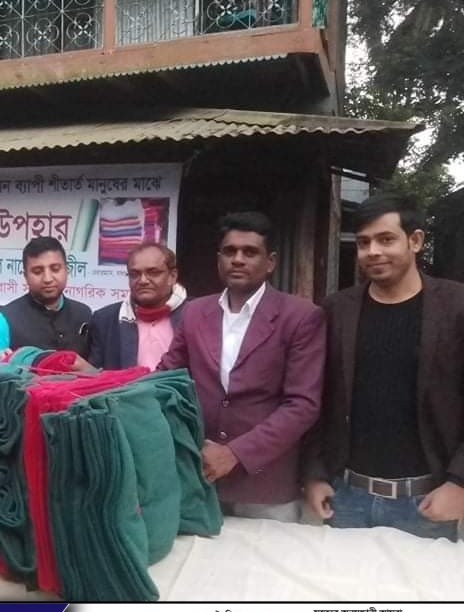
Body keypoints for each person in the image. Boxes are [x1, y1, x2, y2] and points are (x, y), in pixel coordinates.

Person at [303, 194, 464, 540]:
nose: (372, 251)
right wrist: (314, 474)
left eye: (386, 239)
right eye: (363, 243)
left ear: (415, 241)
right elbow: (317, 397)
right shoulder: (337, 310)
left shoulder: (456, 308)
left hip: (428, 501)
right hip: (346, 497)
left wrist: (459, 483)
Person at [160, 212, 325, 522]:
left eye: (250, 252)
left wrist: (235, 453)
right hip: (200, 476)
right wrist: (103, 383)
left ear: (270, 262)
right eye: (230, 251)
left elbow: (302, 405)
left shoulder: (300, 316)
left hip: (265, 485)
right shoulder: (195, 312)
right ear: (218, 259)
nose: (237, 259)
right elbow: (166, 378)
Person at [0, 236, 92, 360]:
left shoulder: (84, 314)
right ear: (25, 276)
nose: (47, 279)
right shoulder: (2, 320)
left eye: (55, 269)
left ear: (67, 270)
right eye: (37, 271)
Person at [88, 242, 188, 370]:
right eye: (134, 274)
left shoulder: (195, 315)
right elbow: (95, 373)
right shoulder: (106, 320)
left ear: (172, 276)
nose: (143, 281)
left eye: (153, 273)